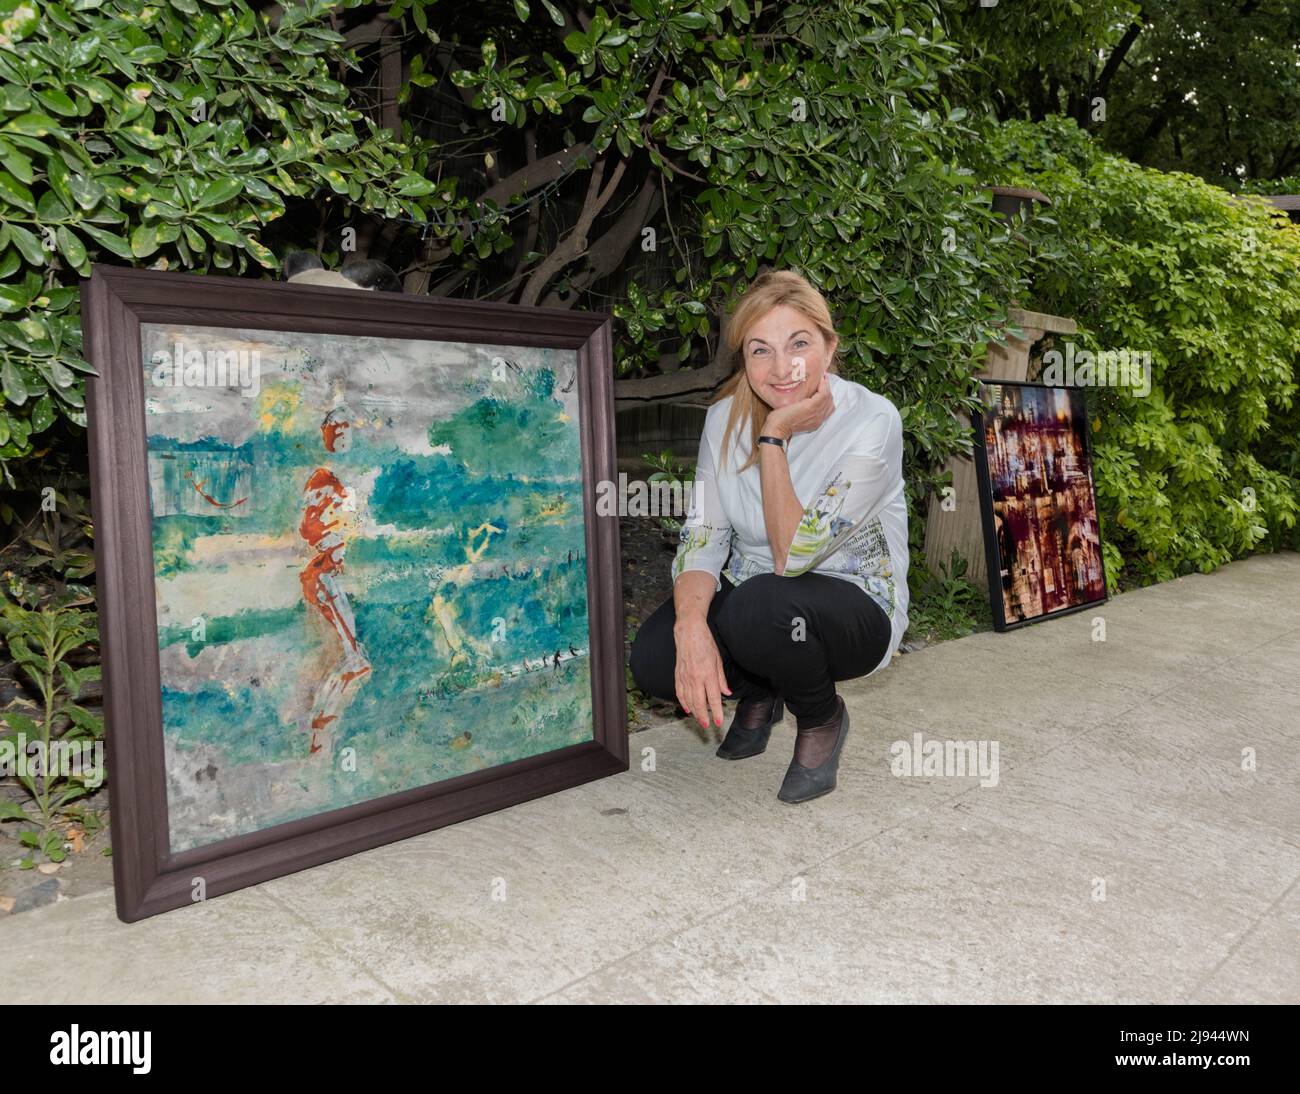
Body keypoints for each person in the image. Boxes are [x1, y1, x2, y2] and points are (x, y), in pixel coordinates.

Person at [629, 269, 909, 803]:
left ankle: (822, 716)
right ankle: (759, 688)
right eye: (761, 350)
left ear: (830, 348)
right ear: (744, 359)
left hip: (854, 602)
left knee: (760, 608)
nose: (781, 368)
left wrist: (775, 434)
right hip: (759, 598)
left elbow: (794, 554)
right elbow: (704, 532)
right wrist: (690, 630)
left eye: (799, 344)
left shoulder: (873, 421)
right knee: (655, 657)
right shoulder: (722, 419)